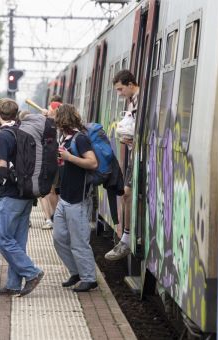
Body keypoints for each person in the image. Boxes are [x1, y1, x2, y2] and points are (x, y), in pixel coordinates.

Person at [0, 98, 44, 296]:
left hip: (11, 194)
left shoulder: (4, 135)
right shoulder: (25, 130)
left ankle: (32, 273)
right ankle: (13, 284)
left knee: (2, 238)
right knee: (17, 241)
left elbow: (2, 166)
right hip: (26, 193)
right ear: (16, 113)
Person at [52, 104, 99, 292]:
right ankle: (76, 271)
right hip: (65, 197)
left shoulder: (81, 139)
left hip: (78, 198)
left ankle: (89, 277)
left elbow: (93, 163)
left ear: (64, 120)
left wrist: (69, 158)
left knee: (79, 241)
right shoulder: (65, 137)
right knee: (59, 237)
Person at [105, 70, 140, 261]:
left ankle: (127, 238)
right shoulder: (133, 101)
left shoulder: (140, 99)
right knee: (125, 194)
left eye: (120, 89)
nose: (119, 94)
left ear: (130, 84)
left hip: (139, 156)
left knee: (127, 194)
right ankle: (126, 237)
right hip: (134, 153)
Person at [38, 98, 62, 230]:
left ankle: (52, 218)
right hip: (55, 161)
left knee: (49, 191)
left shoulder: (53, 124)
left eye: (50, 109)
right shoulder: (54, 123)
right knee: (52, 191)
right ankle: (53, 217)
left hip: (51, 161)